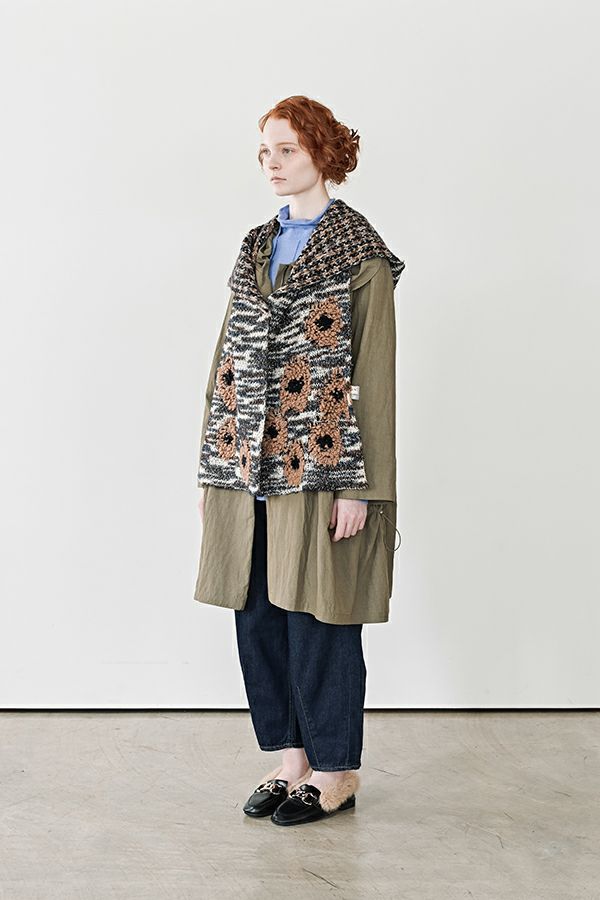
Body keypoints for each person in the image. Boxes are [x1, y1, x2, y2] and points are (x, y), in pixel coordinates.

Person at [195, 95, 404, 826]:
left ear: (322, 151)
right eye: (265, 151)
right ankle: (292, 763)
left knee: (319, 615)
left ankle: (337, 771)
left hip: (321, 466)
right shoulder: (256, 246)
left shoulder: (359, 254)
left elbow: (373, 376)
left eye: (286, 149)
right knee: (256, 615)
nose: (272, 164)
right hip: (244, 464)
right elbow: (225, 358)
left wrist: (362, 487)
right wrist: (211, 466)